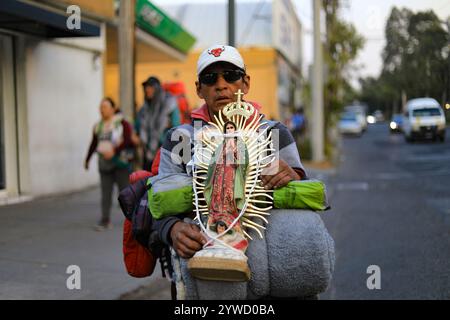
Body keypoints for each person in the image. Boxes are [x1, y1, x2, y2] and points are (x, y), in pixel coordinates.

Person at [150, 44, 307, 260]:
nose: (221, 85)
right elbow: (160, 202)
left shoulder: (274, 132)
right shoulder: (180, 139)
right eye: (210, 78)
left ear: (246, 83)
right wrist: (172, 229)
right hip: (202, 266)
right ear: (198, 88)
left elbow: (304, 196)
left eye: (231, 76)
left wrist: (293, 176)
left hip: (270, 266)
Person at [85, 97, 134, 231]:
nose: (102, 110)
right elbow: (94, 143)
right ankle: (105, 220)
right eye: (101, 107)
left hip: (120, 163)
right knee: (105, 193)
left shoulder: (122, 123)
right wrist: (87, 159)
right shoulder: (98, 126)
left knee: (125, 193)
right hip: (104, 164)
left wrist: (114, 151)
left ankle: (133, 220)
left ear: (113, 108)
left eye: (105, 107)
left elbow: (128, 140)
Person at [134, 76, 181, 170]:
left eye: (150, 87)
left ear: (157, 89)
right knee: (147, 180)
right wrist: (135, 135)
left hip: (164, 152)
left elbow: (176, 128)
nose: (147, 90)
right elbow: (138, 126)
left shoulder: (169, 105)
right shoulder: (144, 108)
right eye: (146, 87)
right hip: (147, 153)